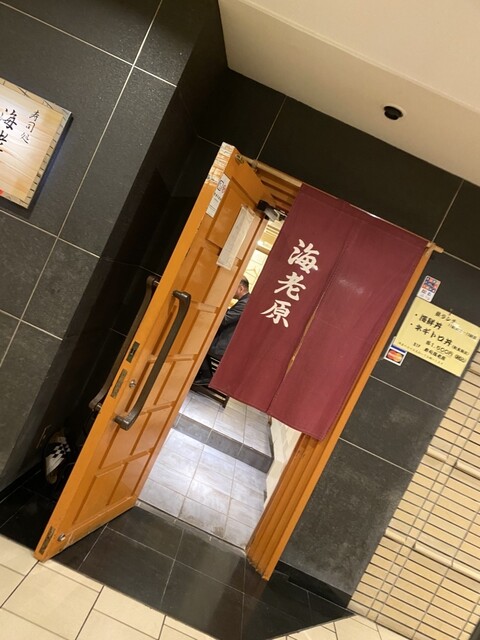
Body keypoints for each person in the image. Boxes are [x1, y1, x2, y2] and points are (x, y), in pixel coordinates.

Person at [194, 277, 250, 385]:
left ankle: (206, 375)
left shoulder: (245, 303)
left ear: (241, 288)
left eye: (232, 288)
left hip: (224, 344)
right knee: (199, 341)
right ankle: (202, 373)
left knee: (199, 344)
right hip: (225, 339)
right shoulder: (245, 301)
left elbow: (224, 320)